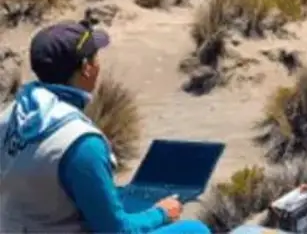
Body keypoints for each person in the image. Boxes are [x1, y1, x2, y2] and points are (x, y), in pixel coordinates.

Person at [0, 14, 211, 234]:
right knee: (195, 230)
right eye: (95, 57)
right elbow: (117, 232)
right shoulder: (80, 142)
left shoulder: (9, 118)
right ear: (86, 67)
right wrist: (161, 213)